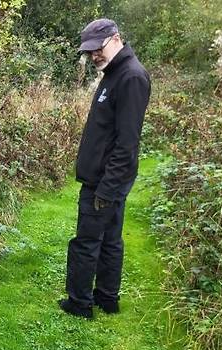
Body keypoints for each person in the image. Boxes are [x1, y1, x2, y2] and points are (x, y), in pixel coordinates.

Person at [59, 19, 151, 319]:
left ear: (115, 39)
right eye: (90, 51)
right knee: (110, 241)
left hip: (105, 182)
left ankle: (79, 304)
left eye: (98, 48)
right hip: (104, 180)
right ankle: (107, 299)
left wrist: (107, 189)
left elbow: (127, 143)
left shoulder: (131, 77)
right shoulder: (114, 73)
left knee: (86, 243)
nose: (94, 55)